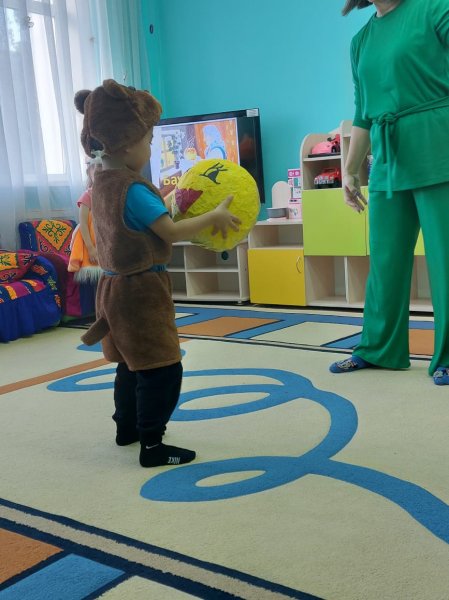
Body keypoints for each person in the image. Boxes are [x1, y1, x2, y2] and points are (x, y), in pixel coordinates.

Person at [74, 80, 241, 467]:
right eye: (149, 140)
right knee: (161, 368)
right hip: (141, 292)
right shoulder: (133, 189)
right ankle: (152, 446)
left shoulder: (100, 183)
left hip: (113, 288)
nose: (151, 148)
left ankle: (127, 428)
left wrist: (171, 201)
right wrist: (213, 217)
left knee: (129, 364)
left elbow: (140, 219)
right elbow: (170, 232)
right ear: (126, 143)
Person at [330, 0, 449, 385]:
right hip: (387, 159)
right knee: (385, 259)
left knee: (445, 259)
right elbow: (363, 112)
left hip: (438, 147)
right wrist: (350, 171)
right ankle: (379, 349)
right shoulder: (361, 40)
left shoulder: (435, 9)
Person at [68, 157, 102, 282]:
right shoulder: (88, 195)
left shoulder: (112, 194)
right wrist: (90, 248)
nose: (102, 176)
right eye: (98, 172)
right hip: (92, 243)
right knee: (94, 281)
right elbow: (83, 224)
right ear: (89, 173)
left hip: (107, 242)